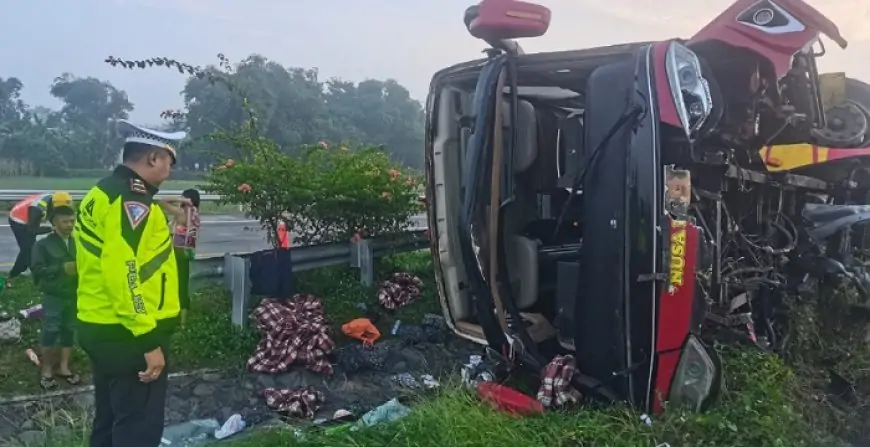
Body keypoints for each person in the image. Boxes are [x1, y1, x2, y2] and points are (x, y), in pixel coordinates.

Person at [75, 119, 186, 447]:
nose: (170, 169)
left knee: (110, 422)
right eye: (169, 160)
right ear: (153, 158)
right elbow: (122, 272)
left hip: (102, 324)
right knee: (138, 428)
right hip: (128, 332)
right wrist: (147, 339)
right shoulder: (130, 201)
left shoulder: (103, 192)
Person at [30, 204, 79, 389]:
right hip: (54, 295)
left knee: (69, 330)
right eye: (65, 221)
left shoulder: (78, 242)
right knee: (51, 330)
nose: (69, 225)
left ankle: (64, 367)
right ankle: (46, 369)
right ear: (54, 223)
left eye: (72, 221)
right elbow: (36, 269)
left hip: (73, 294)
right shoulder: (42, 244)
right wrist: (60, 269)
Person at [6, 191, 74, 284]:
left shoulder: (54, 200)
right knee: (27, 249)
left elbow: (54, 218)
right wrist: (51, 228)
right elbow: (32, 230)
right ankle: (15, 274)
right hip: (18, 220)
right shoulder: (38, 209)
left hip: (29, 218)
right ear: (55, 205)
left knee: (30, 249)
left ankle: (27, 272)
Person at [159, 188, 201, 328]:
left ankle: (176, 319)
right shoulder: (195, 213)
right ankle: (183, 321)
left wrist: (180, 200)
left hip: (177, 252)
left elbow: (162, 201)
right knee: (183, 283)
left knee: (174, 284)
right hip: (188, 252)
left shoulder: (182, 213)